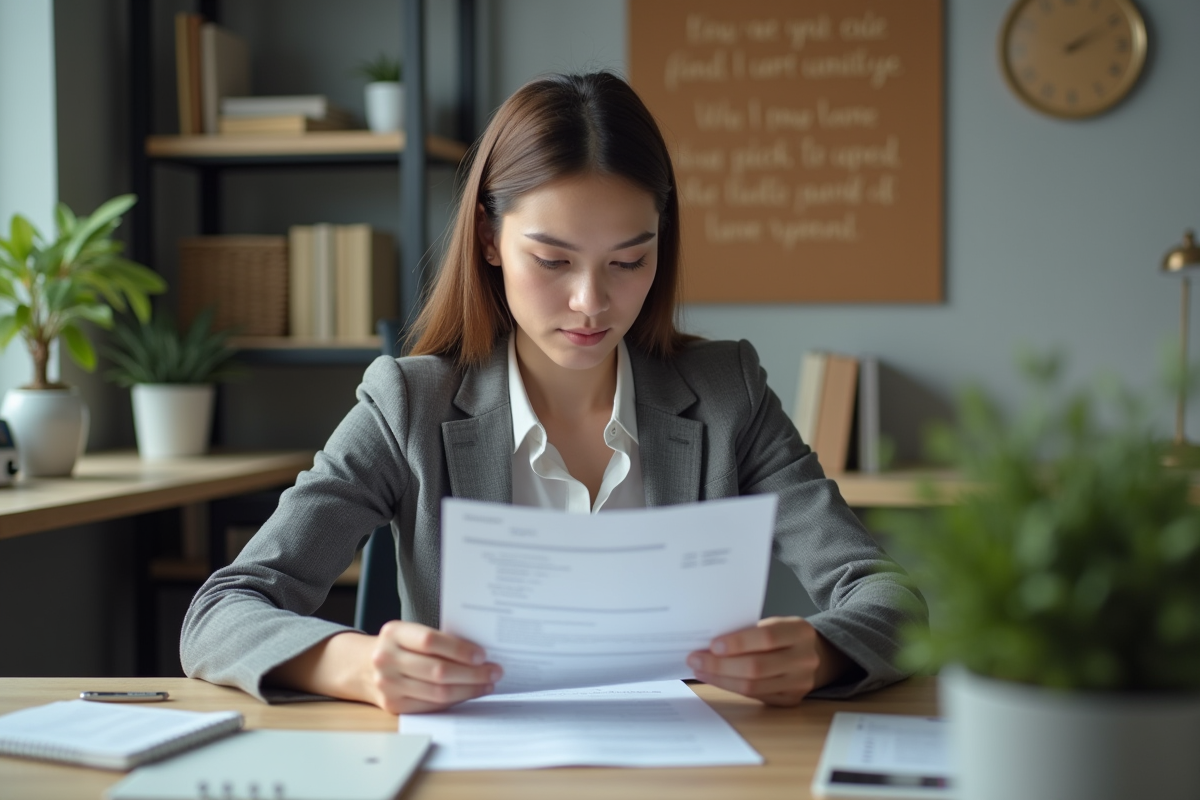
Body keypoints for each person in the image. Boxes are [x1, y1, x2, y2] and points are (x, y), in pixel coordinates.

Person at [181, 71, 926, 714]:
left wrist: (820, 652)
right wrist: (358, 665)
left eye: (628, 261)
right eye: (552, 259)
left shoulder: (728, 393)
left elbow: (889, 600)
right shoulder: (410, 405)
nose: (590, 303)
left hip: (689, 771)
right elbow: (221, 612)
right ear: (487, 241)